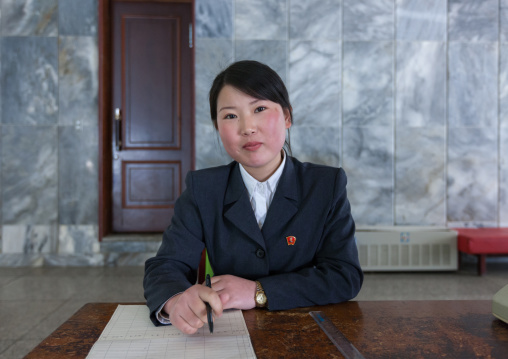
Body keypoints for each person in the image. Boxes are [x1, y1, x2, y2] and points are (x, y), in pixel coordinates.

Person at [143, 60, 363, 334]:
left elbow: (344, 275)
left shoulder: (325, 186)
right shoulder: (204, 189)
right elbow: (165, 265)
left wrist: (258, 292)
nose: (247, 127)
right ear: (217, 126)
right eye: (230, 116)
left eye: (259, 109)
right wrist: (175, 301)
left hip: (307, 331)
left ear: (286, 117)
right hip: (227, 333)